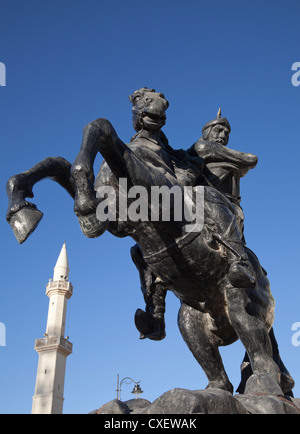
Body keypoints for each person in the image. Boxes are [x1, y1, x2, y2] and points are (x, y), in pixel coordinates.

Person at [133, 109, 258, 340]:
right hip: (196, 204)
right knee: (143, 246)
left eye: (226, 132)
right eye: (218, 130)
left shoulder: (201, 150)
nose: (222, 135)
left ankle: (239, 263)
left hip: (225, 207)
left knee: (202, 195)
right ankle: (156, 311)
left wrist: (221, 155)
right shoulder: (201, 148)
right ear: (207, 131)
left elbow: (249, 159)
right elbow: (249, 160)